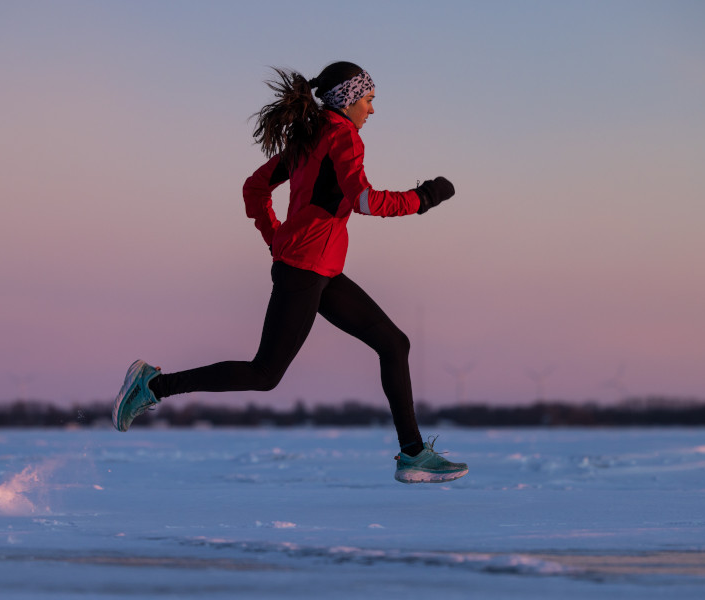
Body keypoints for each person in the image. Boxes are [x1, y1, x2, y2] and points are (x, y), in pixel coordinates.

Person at [112, 61, 468, 484]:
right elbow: (365, 201)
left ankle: (412, 454)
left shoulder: (310, 136)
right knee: (265, 373)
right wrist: (424, 197)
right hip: (304, 269)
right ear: (349, 100)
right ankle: (153, 385)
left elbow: (254, 187)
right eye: (369, 100)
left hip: (319, 268)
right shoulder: (342, 137)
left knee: (394, 343)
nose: (372, 110)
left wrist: (276, 237)